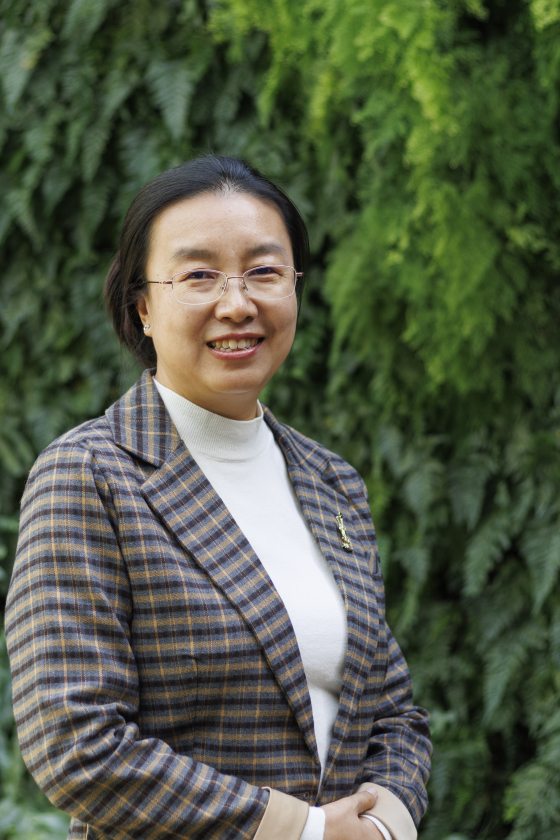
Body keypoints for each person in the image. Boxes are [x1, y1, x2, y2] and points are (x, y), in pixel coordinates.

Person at [5, 155, 431, 840]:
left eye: (264, 272)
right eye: (199, 275)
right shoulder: (90, 477)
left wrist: (387, 824)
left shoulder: (332, 483)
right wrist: (304, 831)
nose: (238, 303)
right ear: (142, 305)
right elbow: (76, 743)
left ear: (295, 288)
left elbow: (393, 713)